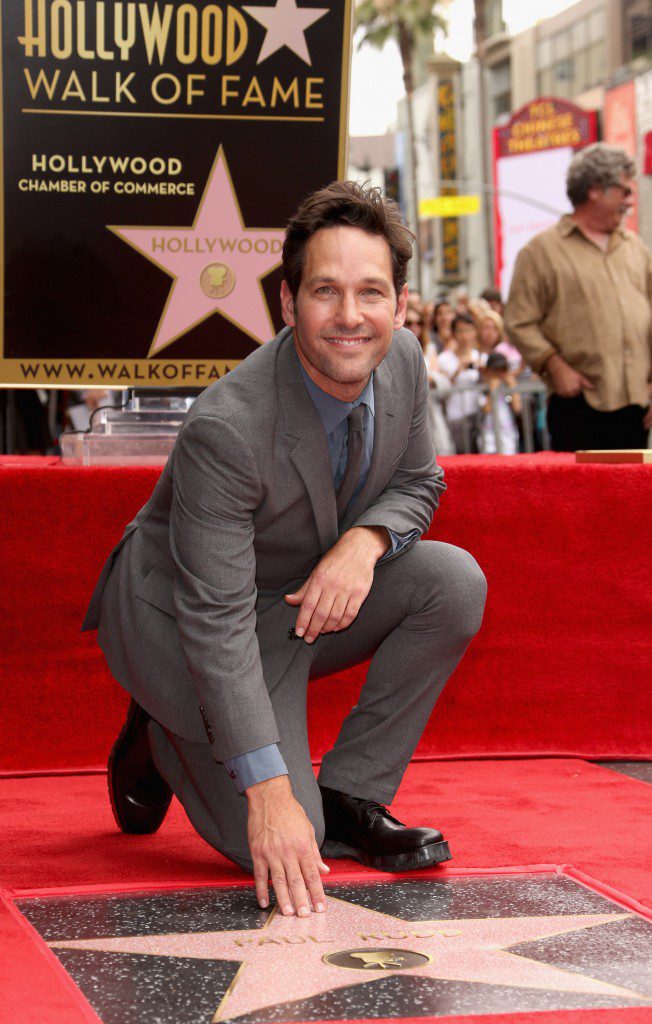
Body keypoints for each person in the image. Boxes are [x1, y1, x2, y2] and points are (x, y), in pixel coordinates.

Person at [82, 182, 487, 920]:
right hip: (184, 621)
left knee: (452, 581)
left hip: (297, 605)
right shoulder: (227, 428)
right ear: (287, 301)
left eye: (371, 292)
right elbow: (216, 618)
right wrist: (268, 795)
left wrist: (364, 542)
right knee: (270, 842)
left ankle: (353, 791)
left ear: (400, 305)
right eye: (325, 291)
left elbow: (420, 482)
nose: (349, 316)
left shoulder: (401, 360)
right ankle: (160, 728)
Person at [505, 143, 652, 451]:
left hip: (639, 407)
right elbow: (519, 321)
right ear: (596, 189)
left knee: (633, 499)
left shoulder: (635, 248)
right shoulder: (541, 252)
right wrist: (554, 365)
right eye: (624, 192)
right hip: (578, 406)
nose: (630, 200)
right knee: (580, 499)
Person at [405, 302, 456, 456]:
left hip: (430, 409)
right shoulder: (393, 349)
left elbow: (438, 379)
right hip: (406, 412)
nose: (414, 327)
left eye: (419, 323)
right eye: (409, 323)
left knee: (439, 451)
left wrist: (427, 379)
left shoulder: (429, 348)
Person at [438, 313, 482, 453]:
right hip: (455, 419)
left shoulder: (481, 357)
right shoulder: (443, 359)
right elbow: (441, 388)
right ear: (453, 334)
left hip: (479, 416)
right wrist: (458, 371)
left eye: (468, 330)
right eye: (460, 331)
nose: (465, 336)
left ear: (474, 332)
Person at [478, 352, 522, 455]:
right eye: (495, 370)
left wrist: (512, 386)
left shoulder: (507, 389)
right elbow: (486, 409)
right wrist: (492, 390)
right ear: (487, 371)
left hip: (508, 434)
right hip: (489, 435)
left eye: (503, 370)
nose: (499, 374)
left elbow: (517, 408)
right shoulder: (482, 389)